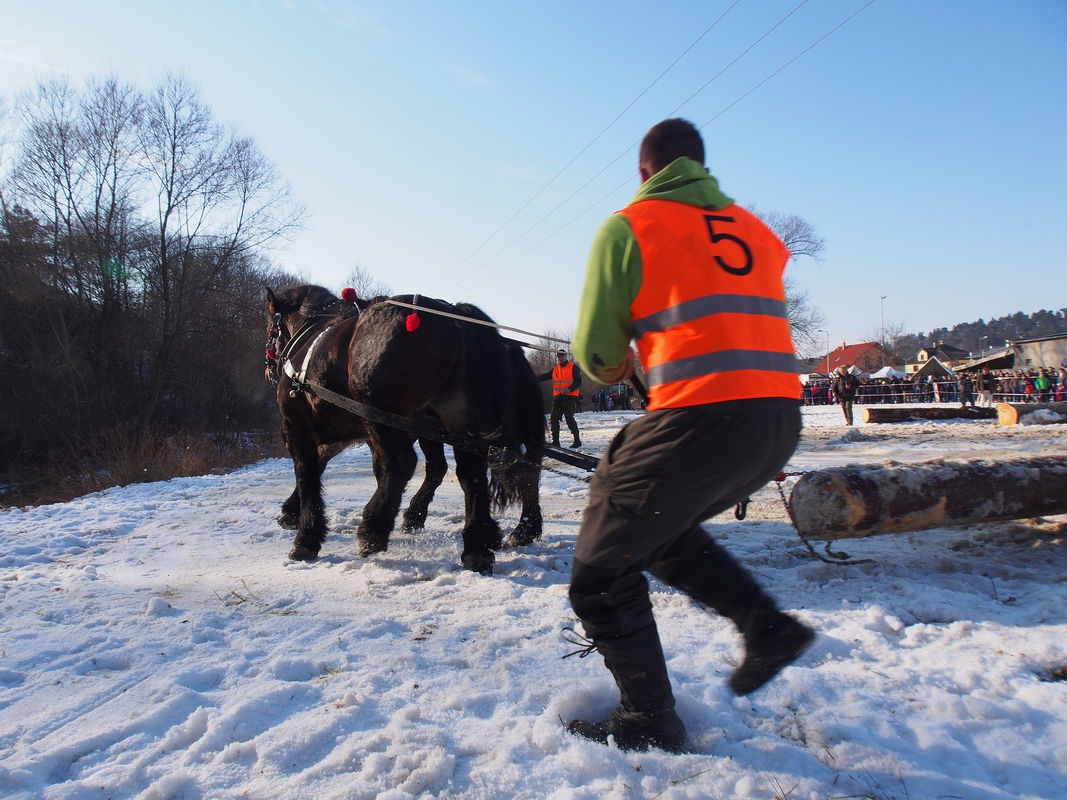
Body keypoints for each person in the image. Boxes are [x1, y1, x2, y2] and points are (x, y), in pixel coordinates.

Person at [565, 118, 814, 753]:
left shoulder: (630, 226)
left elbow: (596, 353)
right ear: (700, 168)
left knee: (598, 579)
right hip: (779, 420)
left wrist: (621, 365)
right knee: (658, 531)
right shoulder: (756, 232)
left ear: (646, 173)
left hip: (699, 420)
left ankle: (649, 719)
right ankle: (767, 628)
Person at [537, 349, 583, 448]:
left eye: (562, 356)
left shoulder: (573, 367)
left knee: (569, 419)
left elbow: (578, 381)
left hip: (569, 397)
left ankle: (577, 440)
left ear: (566, 356)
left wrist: (570, 389)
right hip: (557, 397)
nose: (560, 358)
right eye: (558, 356)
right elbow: (544, 376)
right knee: (553, 418)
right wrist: (531, 378)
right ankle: (556, 441)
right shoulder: (555, 369)